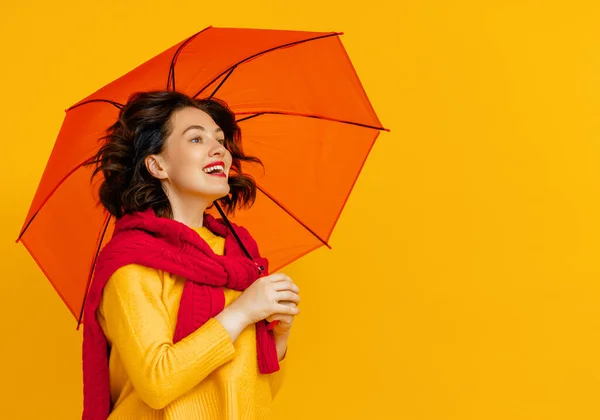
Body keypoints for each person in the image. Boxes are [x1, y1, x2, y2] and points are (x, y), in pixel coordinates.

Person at [81, 90, 301, 420]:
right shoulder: (132, 264)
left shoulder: (238, 256)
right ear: (157, 165)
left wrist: (278, 338)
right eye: (196, 139)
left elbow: (251, 392)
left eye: (220, 139)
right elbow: (158, 383)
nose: (219, 151)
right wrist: (242, 313)